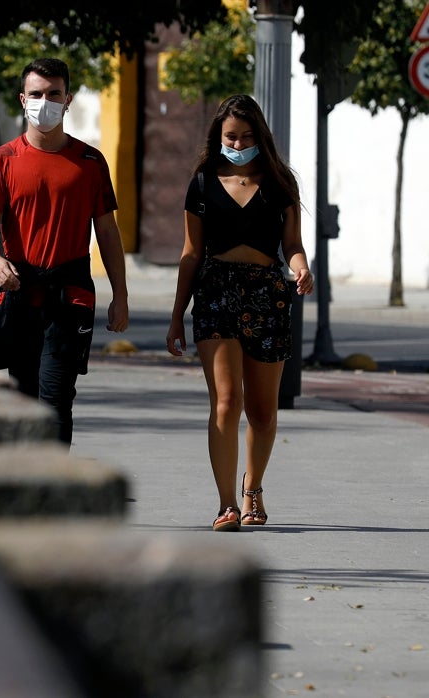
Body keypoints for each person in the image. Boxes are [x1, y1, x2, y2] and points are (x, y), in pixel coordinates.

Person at [165, 94, 314, 532]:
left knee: (264, 412)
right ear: (218, 136)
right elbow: (191, 254)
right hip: (216, 293)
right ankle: (227, 503)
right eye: (231, 136)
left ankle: (253, 488)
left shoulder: (281, 182)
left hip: (268, 294)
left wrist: (301, 267)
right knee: (226, 403)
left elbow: (292, 244)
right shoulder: (202, 183)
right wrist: (178, 314)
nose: (238, 143)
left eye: (247, 136)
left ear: (260, 137)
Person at [0, 57, 130, 447]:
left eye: (54, 94)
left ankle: (56, 489)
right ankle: (27, 483)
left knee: (56, 398)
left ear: (68, 98)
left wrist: (120, 296)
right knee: (24, 397)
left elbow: (108, 232)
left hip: (70, 293)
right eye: (37, 94)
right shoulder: (3, 159)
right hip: (19, 291)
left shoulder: (90, 163)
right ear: (22, 99)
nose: (45, 102)